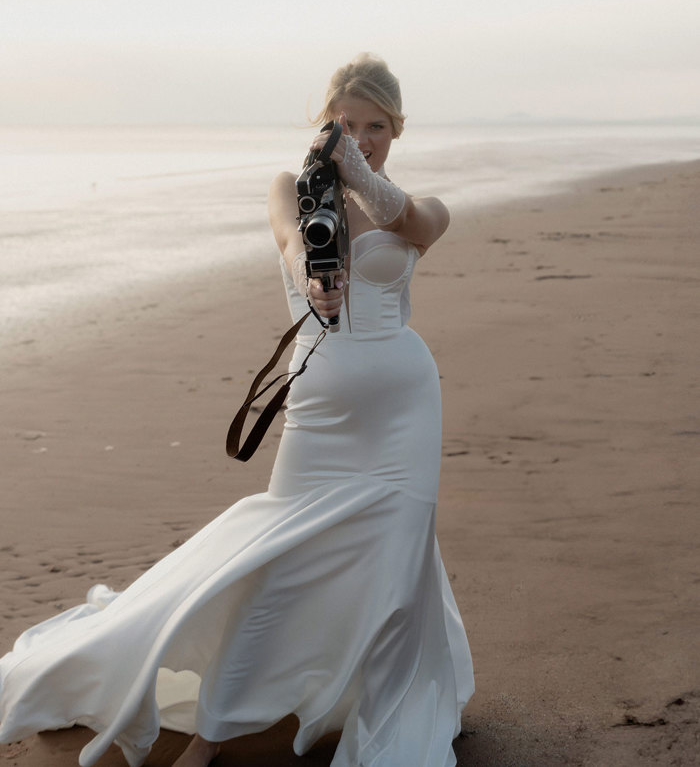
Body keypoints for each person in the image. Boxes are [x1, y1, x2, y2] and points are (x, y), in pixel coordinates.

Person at [0, 53, 474, 767]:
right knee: (280, 565)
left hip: (405, 410)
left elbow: (410, 221)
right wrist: (315, 284)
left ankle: (385, 701)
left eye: (376, 126)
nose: (362, 135)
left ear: (394, 131)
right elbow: (292, 243)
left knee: (398, 566)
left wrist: (357, 171)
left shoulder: (417, 206)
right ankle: (213, 734)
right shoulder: (288, 187)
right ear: (325, 121)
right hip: (323, 407)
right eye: (347, 124)